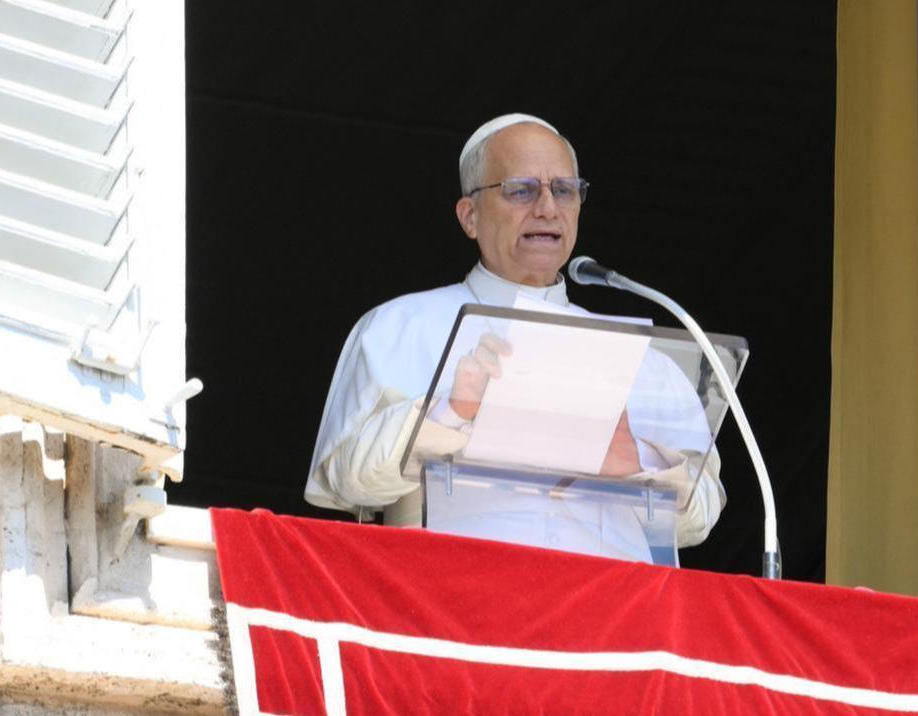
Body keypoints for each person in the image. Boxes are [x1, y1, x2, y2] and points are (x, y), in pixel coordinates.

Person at [305, 113, 724, 560]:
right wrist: (452, 413)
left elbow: (699, 520)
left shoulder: (647, 361)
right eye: (521, 190)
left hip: (613, 619)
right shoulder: (400, 326)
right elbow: (346, 481)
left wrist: (638, 465)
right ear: (470, 216)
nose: (547, 207)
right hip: (453, 604)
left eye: (563, 190)